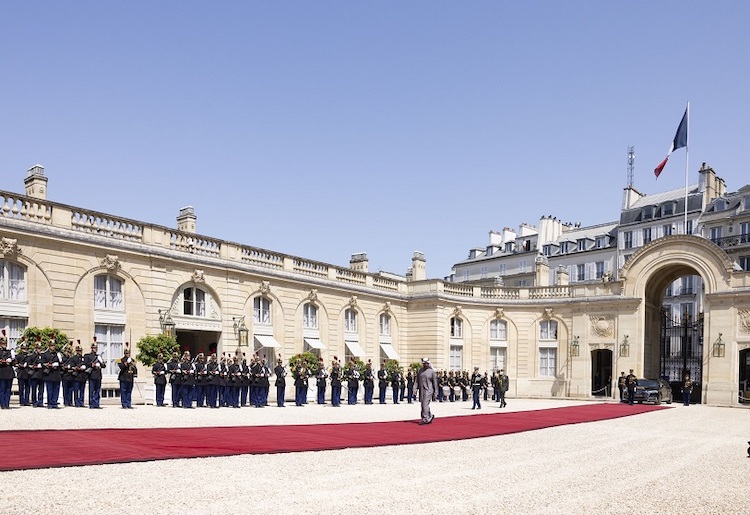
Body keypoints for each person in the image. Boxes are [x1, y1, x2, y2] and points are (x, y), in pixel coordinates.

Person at [83, 339, 105, 409]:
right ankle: (91, 404)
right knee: (91, 390)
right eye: (94, 348)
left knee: (97, 390)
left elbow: (104, 366)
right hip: (92, 375)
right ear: (92, 348)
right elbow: (86, 363)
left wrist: (101, 363)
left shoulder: (99, 356)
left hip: (98, 375)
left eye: (96, 348)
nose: (95, 349)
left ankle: (96, 404)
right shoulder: (88, 356)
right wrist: (92, 364)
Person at [416, 357, 438, 425]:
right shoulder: (420, 371)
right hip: (422, 390)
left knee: (425, 404)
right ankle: (429, 416)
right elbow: (417, 381)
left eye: (426, 363)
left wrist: (436, 392)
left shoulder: (432, 372)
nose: (425, 365)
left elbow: (435, 383)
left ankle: (425, 418)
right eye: (424, 363)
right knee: (423, 404)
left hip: (429, 390)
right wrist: (415, 389)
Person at [42, 340, 62, 409]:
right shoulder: (45, 354)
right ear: (49, 346)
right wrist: (49, 364)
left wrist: (59, 361)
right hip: (49, 374)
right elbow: (42, 363)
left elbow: (61, 365)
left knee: (56, 389)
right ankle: (50, 403)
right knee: (49, 389)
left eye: (53, 346)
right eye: (51, 346)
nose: (53, 347)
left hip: (56, 374)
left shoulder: (57, 354)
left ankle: (54, 403)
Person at [0, 332, 15, 409]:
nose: (4, 345)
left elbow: (14, 362)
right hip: (2, 372)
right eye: (3, 344)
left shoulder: (10, 351)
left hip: (9, 372)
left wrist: (12, 359)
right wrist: (3, 361)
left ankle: (7, 404)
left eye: (5, 344)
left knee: (8, 389)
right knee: (2, 389)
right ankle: (2, 404)